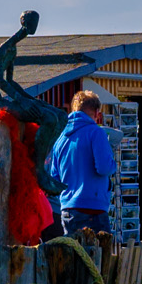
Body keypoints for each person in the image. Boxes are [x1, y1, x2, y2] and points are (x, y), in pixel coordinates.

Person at [48, 91, 117, 240]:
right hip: (93, 209)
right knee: (97, 261)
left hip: (68, 210)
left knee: (74, 258)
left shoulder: (60, 138)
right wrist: (113, 164)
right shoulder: (96, 132)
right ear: (97, 112)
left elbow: (55, 179)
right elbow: (104, 167)